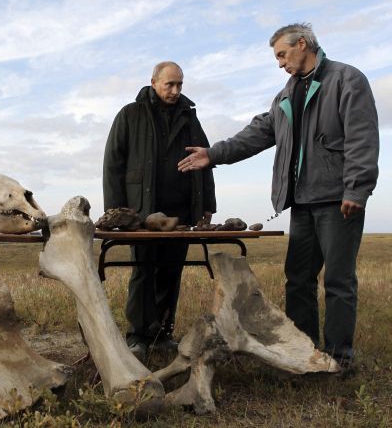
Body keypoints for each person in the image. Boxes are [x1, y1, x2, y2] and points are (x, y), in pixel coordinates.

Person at [178, 23, 379, 368]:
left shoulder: (347, 80)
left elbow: (362, 137)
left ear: (302, 44)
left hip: (337, 200)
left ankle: (339, 359)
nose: (280, 63)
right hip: (300, 201)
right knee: (298, 280)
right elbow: (258, 133)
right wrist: (214, 154)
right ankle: (304, 352)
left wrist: (357, 188)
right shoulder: (286, 93)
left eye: (282, 55)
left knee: (337, 281)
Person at [103, 61, 216, 359]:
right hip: (142, 212)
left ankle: (162, 334)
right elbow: (113, 164)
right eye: (170, 84)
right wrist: (116, 212)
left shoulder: (190, 119)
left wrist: (207, 205)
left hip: (180, 211)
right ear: (153, 82)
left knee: (171, 271)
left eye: (180, 85)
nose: (176, 90)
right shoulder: (131, 114)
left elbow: (206, 162)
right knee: (143, 270)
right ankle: (137, 335)